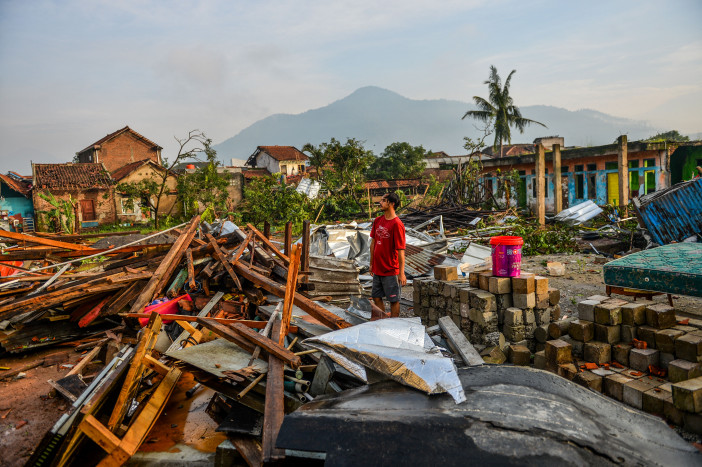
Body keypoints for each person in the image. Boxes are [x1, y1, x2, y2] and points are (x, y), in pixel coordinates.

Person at [370, 192, 406, 318]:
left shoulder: (397, 224)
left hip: (391, 269)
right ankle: (384, 319)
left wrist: (401, 273)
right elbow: (373, 243)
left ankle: (394, 323)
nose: (380, 202)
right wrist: (371, 264)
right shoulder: (378, 221)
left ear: (392, 204)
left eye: (384, 200)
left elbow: (401, 250)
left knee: (393, 299)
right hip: (378, 268)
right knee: (376, 296)